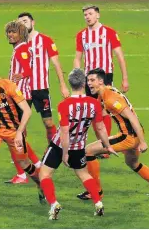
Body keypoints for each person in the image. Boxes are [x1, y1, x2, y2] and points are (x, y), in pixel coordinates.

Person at [76, 68, 149, 200]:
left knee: (88, 151)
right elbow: (101, 113)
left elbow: (132, 118)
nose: (89, 83)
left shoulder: (110, 98)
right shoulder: (107, 92)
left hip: (128, 137)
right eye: (88, 80)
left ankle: (96, 191)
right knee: (132, 163)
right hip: (134, 135)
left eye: (92, 80)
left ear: (101, 81)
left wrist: (142, 142)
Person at [39, 68, 116, 220]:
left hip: (60, 146)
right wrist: (107, 146)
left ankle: (54, 204)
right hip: (79, 146)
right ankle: (98, 202)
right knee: (83, 174)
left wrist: (65, 153)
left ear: (70, 84)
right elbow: (100, 128)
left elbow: (65, 132)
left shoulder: (64, 105)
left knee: (44, 174)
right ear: (84, 83)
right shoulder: (94, 103)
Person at [0, 60, 45, 219]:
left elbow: (27, 111)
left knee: (25, 164)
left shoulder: (9, 86)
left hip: (13, 130)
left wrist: (19, 132)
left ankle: (40, 184)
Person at [73, 5, 130, 157]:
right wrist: (78, 78)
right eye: (85, 14)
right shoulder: (81, 35)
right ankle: (103, 145)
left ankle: (107, 145)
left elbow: (119, 56)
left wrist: (125, 78)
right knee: (93, 110)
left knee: (106, 109)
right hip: (88, 78)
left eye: (90, 13)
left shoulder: (109, 32)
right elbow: (78, 58)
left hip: (105, 76)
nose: (87, 17)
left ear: (97, 15)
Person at [18, 12, 70, 143]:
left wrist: (62, 85)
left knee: (48, 122)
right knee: (21, 124)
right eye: (20, 23)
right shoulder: (18, 43)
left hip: (41, 89)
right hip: (23, 90)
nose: (23, 24)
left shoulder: (45, 40)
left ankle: (52, 150)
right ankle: (22, 153)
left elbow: (56, 64)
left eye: (25, 21)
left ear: (32, 22)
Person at [4, 20, 41, 184]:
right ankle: (38, 164)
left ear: (21, 34)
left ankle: (22, 174)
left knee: (12, 137)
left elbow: (27, 69)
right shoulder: (21, 49)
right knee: (19, 136)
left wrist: (19, 77)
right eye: (9, 32)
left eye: (14, 32)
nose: (10, 35)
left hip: (19, 97)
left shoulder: (22, 49)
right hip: (20, 96)